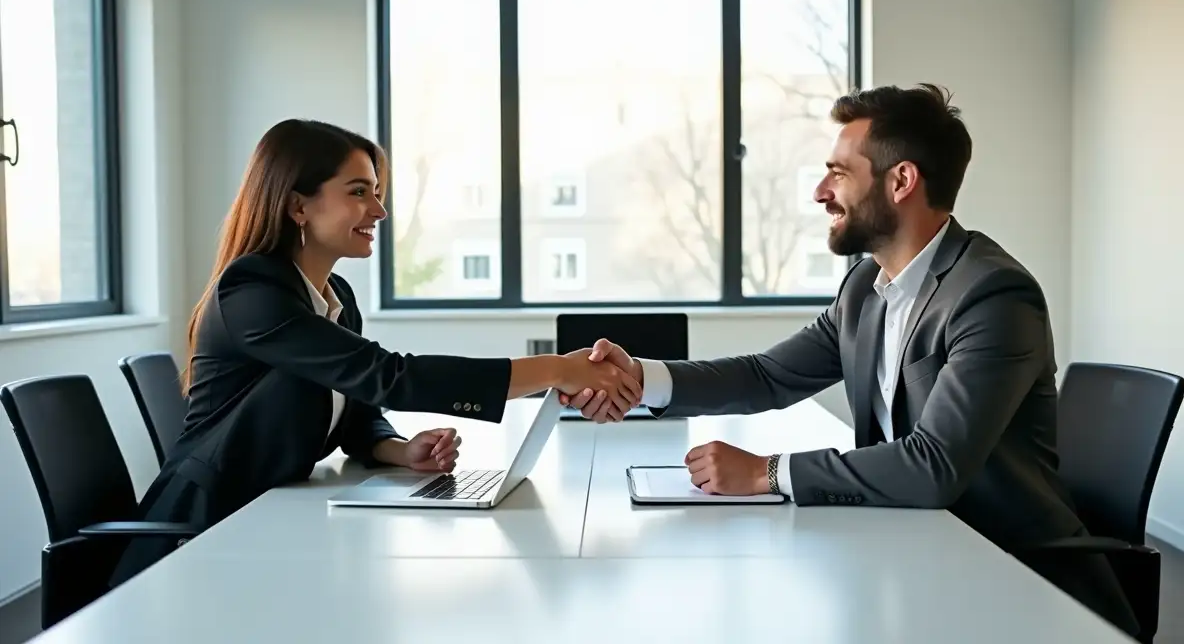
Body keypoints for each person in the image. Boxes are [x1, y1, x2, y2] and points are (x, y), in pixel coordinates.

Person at [561, 84, 1140, 636]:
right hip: (918, 552)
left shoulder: (991, 295)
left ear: (901, 181)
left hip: (1014, 580)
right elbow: (769, 375)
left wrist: (767, 472)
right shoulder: (866, 287)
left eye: (838, 173)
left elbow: (933, 465)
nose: (820, 192)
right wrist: (643, 378)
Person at [109, 119, 640, 587]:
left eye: (378, 191)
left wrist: (399, 450)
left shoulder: (337, 298)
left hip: (274, 516)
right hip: (205, 532)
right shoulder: (251, 292)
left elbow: (361, 409)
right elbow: (387, 375)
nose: (379, 210)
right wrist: (555, 369)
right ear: (298, 204)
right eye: (359, 191)